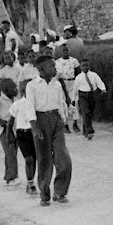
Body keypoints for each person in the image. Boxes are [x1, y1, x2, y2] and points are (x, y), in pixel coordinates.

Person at [26, 54, 71, 206]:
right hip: (40, 121)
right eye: (52, 66)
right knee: (44, 159)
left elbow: (61, 102)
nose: (55, 68)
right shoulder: (32, 85)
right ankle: (45, 194)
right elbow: (29, 106)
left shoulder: (57, 84)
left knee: (63, 158)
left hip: (55, 119)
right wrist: (34, 126)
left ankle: (60, 192)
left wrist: (62, 120)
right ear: (42, 69)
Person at [8, 81, 38, 194]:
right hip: (22, 134)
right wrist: (8, 136)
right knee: (28, 159)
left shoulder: (37, 104)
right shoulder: (17, 104)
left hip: (33, 133)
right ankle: (30, 182)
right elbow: (10, 122)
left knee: (34, 159)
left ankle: (31, 182)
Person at [0, 78, 18, 182]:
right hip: (4, 130)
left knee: (11, 153)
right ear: (6, 90)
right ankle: (14, 176)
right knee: (11, 154)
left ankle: (8, 176)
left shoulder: (16, 100)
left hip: (15, 130)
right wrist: (0, 121)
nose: (16, 90)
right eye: (13, 88)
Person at [72, 58, 106, 140]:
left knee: (89, 113)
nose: (85, 67)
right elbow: (75, 89)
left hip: (92, 95)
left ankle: (85, 131)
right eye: (83, 65)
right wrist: (73, 99)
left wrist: (103, 89)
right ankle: (89, 130)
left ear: (89, 66)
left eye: (86, 65)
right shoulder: (78, 77)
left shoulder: (94, 75)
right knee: (85, 112)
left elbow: (99, 82)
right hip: (83, 95)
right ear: (80, 67)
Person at [53, 44, 80, 133]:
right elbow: (57, 75)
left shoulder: (74, 61)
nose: (65, 52)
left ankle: (75, 123)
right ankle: (65, 124)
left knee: (74, 102)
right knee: (64, 103)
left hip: (72, 82)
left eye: (67, 50)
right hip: (62, 83)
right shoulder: (57, 62)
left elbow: (78, 73)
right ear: (60, 52)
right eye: (63, 50)